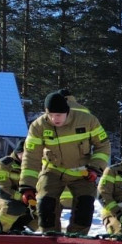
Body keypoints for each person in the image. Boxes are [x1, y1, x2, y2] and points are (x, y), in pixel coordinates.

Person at [19, 89, 109, 235]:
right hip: (53, 171)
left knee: (85, 206)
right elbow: (31, 157)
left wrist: (95, 168)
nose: (55, 119)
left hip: (83, 172)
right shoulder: (38, 127)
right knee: (45, 205)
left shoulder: (88, 120)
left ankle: (76, 237)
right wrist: (27, 186)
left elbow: (103, 146)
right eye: (51, 115)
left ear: (67, 112)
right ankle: (50, 237)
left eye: (59, 115)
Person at [0, 139, 34, 232]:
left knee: (44, 208)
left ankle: (48, 235)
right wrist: (24, 198)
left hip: (25, 201)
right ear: (19, 152)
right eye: (26, 154)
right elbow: (3, 190)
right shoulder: (3, 165)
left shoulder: (34, 167)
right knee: (14, 207)